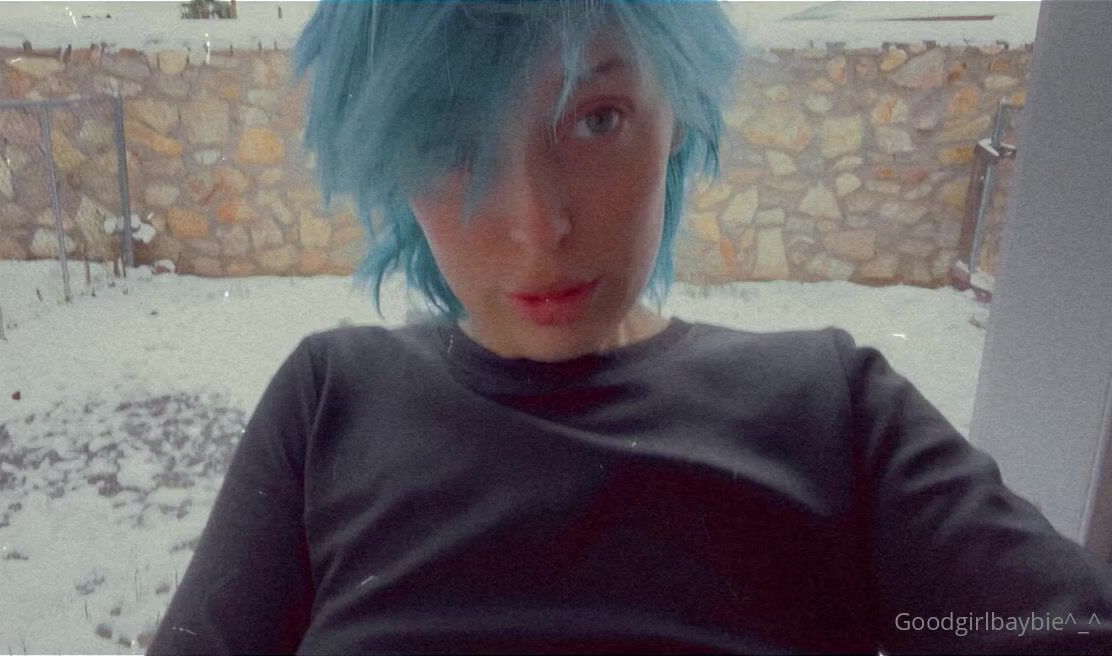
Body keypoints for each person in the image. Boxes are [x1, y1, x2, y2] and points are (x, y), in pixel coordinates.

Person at [147, 1, 1112, 653]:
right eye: (447, 141)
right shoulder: (330, 401)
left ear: (677, 114)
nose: (538, 225)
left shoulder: (834, 408)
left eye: (597, 119)